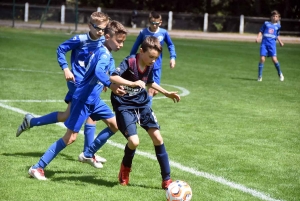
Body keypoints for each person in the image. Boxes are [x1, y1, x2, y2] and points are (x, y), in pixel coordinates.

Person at [27, 20, 128, 180]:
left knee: (115, 125)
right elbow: (99, 71)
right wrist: (110, 84)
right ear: (107, 37)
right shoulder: (103, 53)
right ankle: (38, 167)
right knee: (70, 138)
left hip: (93, 99)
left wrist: (113, 82)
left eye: (123, 41)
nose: (121, 45)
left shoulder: (104, 51)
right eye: (119, 41)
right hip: (83, 99)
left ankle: (88, 153)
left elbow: (105, 71)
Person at [16, 11, 114, 163]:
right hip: (77, 83)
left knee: (66, 115)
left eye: (103, 29)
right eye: (98, 28)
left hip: (89, 84)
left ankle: (31, 122)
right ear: (90, 26)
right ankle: (87, 154)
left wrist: (105, 77)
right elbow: (61, 49)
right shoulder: (80, 39)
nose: (101, 31)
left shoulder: (102, 42)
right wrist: (66, 68)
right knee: (89, 109)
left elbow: (104, 61)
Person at [110, 36, 180, 189]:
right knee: (134, 142)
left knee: (158, 138)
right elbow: (113, 76)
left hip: (142, 105)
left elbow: (149, 82)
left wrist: (166, 93)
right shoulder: (130, 62)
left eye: (156, 58)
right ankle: (125, 170)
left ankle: (166, 180)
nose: (153, 61)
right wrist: (132, 83)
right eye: (151, 57)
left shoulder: (150, 65)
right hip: (124, 105)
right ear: (141, 51)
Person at [130, 11, 176, 106]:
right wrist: (131, 60)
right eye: (152, 23)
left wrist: (172, 57)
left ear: (160, 22)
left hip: (156, 67)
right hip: (143, 65)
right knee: (149, 89)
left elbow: (171, 45)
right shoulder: (143, 32)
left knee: (154, 91)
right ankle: (146, 112)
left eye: (156, 23)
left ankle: (143, 105)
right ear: (149, 21)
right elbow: (135, 47)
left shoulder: (163, 33)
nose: (154, 25)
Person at [255, 10, 284, 82]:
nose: (274, 18)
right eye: (273, 16)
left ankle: (280, 73)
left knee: (274, 59)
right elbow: (261, 31)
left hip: (272, 45)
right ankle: (259, 76)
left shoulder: (278, 26)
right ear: (271, 17)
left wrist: (280, 41)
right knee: (262, 59)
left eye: (276, 16)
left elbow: (277, 35)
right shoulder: (266, 23)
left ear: (278, 18)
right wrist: (258, 37)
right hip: (264, 44)